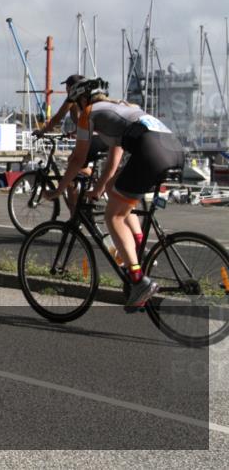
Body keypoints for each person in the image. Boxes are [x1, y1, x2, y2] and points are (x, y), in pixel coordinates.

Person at [44, 77, 184, 310]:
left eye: (75, 103)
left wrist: (59, 189)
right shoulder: (122, 108)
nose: (76, 110)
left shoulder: (89, 112)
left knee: (113, 217)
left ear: (82, 99)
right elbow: (113, 161)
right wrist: (99, 188)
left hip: (151, 153)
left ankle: (138, 280)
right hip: (173, 149)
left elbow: (78, 159)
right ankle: (138, 246)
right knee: (113, 189)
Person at [33, 74, 109, 215]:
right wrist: (74, 131)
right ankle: (94, 183)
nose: (66, 89)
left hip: (93, 138)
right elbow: (83, 121)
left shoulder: (73, 99)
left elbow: (57, 118)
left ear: (72, 87)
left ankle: (75, 215)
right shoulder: (82, 99)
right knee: (75, 167)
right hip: (99, 136)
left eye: (67, 86)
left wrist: (42, 131)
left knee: (70, 174)